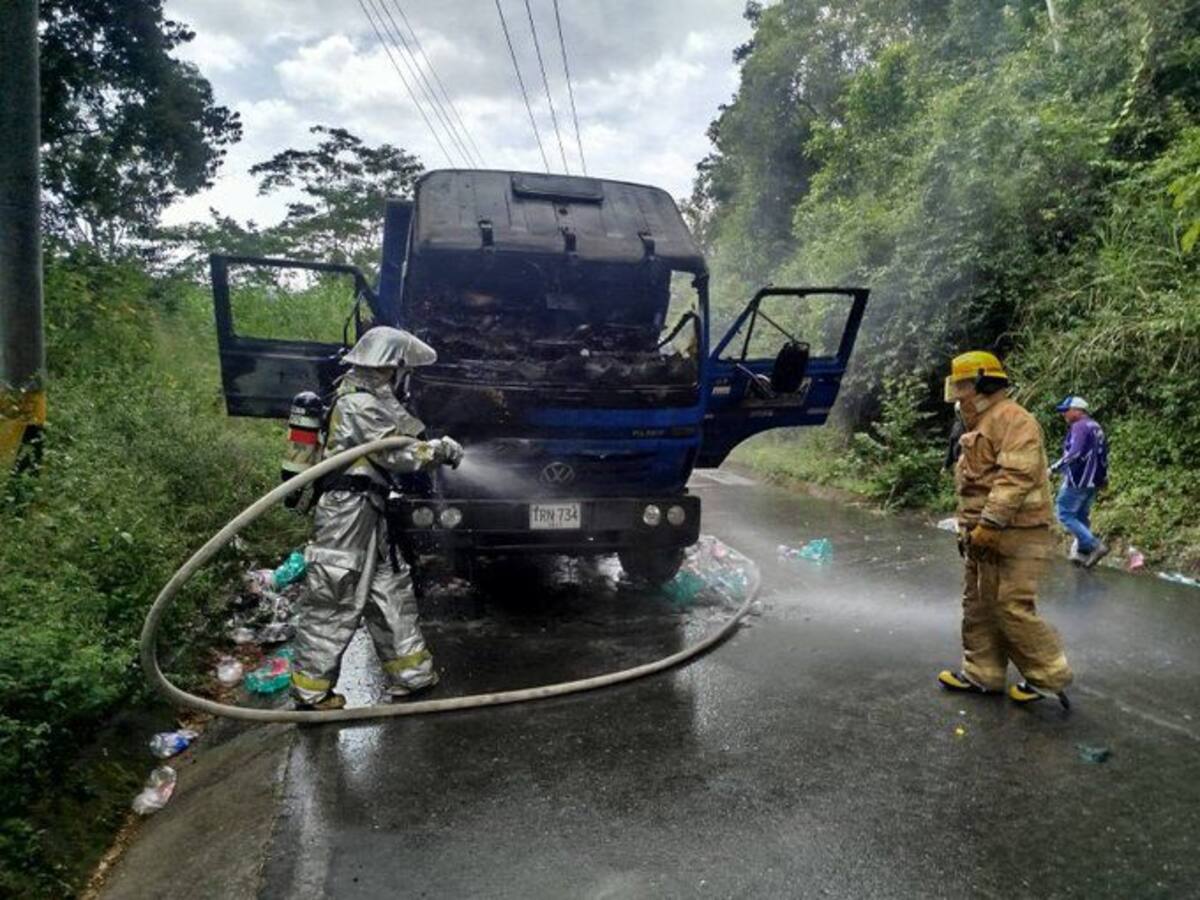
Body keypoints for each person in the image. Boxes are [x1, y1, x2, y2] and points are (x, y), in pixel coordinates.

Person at [290, 326, 464, 711]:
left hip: (369, 506)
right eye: (402, 371)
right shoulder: (358, 404)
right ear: (389, 367)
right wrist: (437, 451)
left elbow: (401, 430)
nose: (404, 379)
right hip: (346, 511)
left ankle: (412, 676)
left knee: (389, 587)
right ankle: (311, 691)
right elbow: (395, 453)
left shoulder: (364, 396)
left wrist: (426, 439)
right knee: (334, 594)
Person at [936, 351, 1072, 709]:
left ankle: (1049, 677)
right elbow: (974, 485)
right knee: (979, 604)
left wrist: (991, 523)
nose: (958, 394)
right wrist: (970, 529)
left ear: (981, 382)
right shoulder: (978, 423)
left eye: (962, 385)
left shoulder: (1013, 419)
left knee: (1011, 605)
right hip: (983, 533)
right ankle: (983, 674)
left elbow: (1016, 476)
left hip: (1019, 532)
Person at [1049, 395, 1109, 568]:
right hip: (1094, 480)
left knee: (1064, 513)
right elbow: (1103, 455)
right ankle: (1082, 553)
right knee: (1081, 515)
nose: (1064, 415)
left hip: (1078, 478)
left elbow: (1074, 454)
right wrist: (1103, 477)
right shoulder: (1095, 426)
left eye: (1066, 411)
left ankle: (1094, 545)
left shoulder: (1080, 426)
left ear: (1077, 410)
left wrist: (1053, 468)